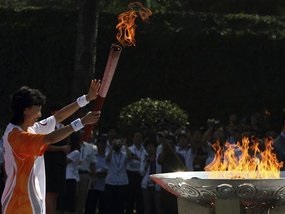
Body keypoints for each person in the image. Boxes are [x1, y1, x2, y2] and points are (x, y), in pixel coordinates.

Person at [1, 80, 101, 214]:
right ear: (26, 110)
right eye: (37, 111)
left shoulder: (31, 128)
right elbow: (51, 138)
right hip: (19, 201)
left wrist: (87, 98)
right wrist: (81, 122)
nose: (40, 115)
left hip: (31, 197)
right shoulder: (16, 137)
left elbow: (57, 117)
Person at [44, 104, 71, 214]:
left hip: (60, 165)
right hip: (49, 164)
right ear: (52, 112)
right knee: (49, 194)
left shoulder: (64, 127)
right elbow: (44, 146)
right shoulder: (47, 127)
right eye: (58, 111)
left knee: (55, 194)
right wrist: (61, 148)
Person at [104, 138, 131, 214]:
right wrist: (112, 147)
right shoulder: (109, 152)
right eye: (116, 143)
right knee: (109, 205)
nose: (117, 145)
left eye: (119, 143)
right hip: (110, 181)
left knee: (120, 205)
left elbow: (130, 158)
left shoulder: (124, 154)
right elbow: (108, 159)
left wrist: (125, 145)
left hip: (122, 182)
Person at [57, 132, 81, 214]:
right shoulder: (65, 151)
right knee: (60, 205)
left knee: (68, 206)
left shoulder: (76, 153)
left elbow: (64, 161)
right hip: (62, 179)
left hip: (70, 180)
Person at [76, 130, 97, 214]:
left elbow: (93, 163)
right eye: (78, 133)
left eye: (81, 133)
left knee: (82, 199)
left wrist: (93, 178)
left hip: (85, 174)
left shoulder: (89, 147)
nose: (80, 135)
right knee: (71, 198)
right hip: (73, 173)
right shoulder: (72, 145)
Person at [84, 135, 108, 214]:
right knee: (90, 208)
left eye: (103, 143)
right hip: (92, 185)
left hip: (104, 185)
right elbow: (88, 167)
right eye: (100, 143)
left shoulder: (108, 156)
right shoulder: (92, 155)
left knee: (103, 208)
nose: (102, 145)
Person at [126, 131, 146, 214]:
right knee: (130, 198)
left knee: (140, 198)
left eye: (140, 137)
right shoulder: (130, 149)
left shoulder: (144, 150)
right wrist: (136, 158)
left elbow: (143, 162)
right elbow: (130, 158)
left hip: (141, 176)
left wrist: (136, 158)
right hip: (131, 175)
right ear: (133, 138)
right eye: (136, 137)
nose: (138, 139)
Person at [140, 136, 161, 214]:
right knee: (147, 208)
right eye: (148, 147)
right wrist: (147, 163)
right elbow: (141, 172)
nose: (150, 148)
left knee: (158, 208)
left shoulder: (159, 157)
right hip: (146, 186)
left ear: (155, 148)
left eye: (152, 146)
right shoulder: (144, 157)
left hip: (157, 186)